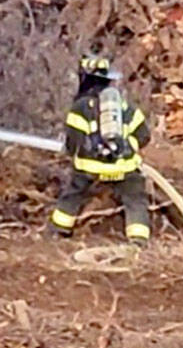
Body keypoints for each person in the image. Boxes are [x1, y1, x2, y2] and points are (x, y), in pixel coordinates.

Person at [50, 54, 151, 245]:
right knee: (136, 200)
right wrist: (126, 150)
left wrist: (73, 154)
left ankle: (59, 230)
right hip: (124, 168)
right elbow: (144, 135)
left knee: (72, 194)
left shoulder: (80, 107)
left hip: (90, 168)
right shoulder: (124, 106)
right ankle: (138, 240)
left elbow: (73, 140)